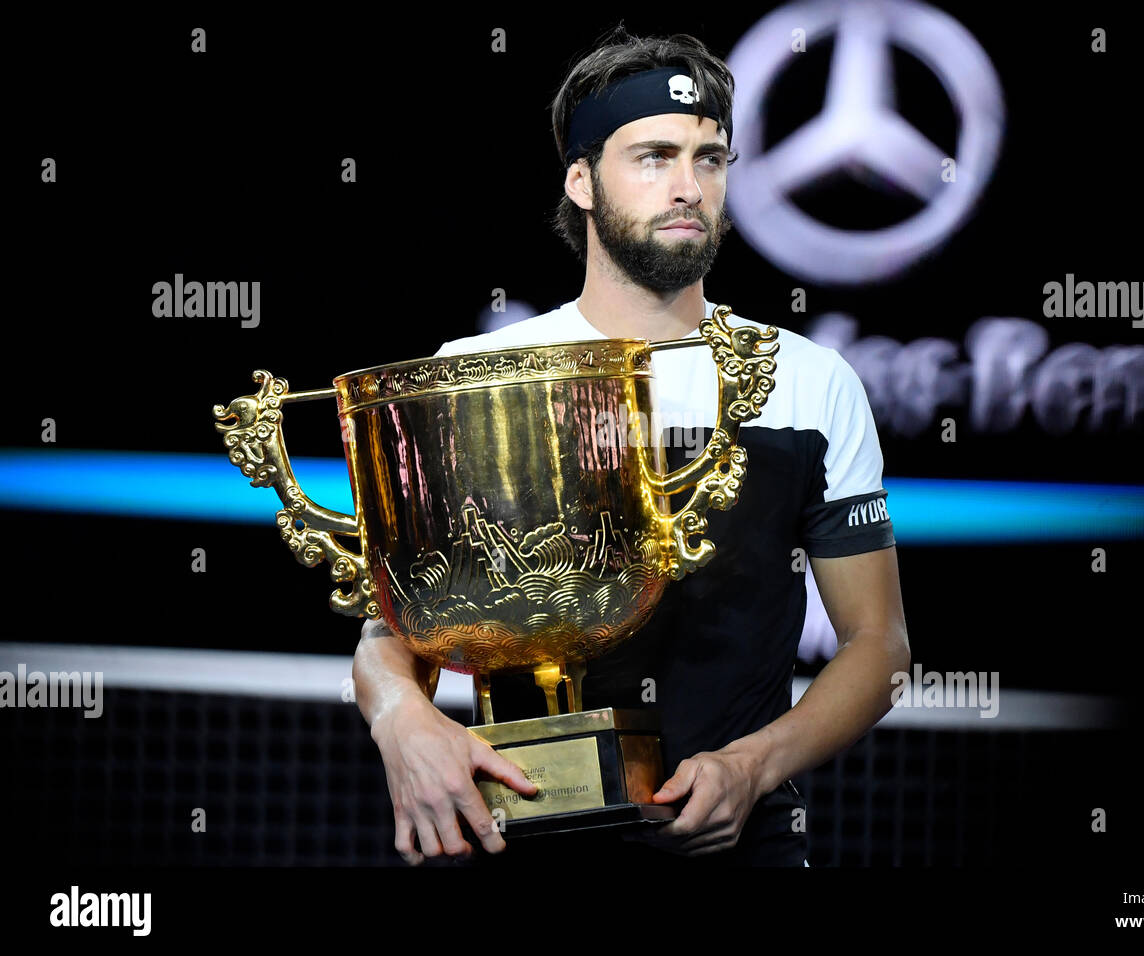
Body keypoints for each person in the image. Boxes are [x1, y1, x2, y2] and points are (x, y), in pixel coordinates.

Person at [352, 24, 909, 867]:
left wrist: (753, 767)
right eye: (653, 156)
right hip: (514, 836)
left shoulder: (806, 379)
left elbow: (880, 648)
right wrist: (403, 720)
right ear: (581, 179)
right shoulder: (476, 372)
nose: (687, 186)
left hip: (740, 841)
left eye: (710, 158)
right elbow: (391, 633)